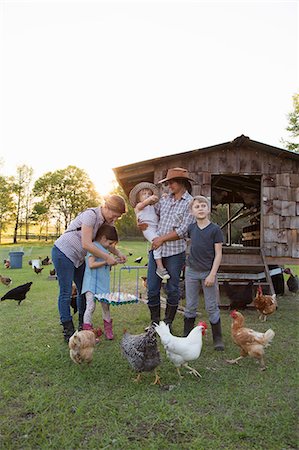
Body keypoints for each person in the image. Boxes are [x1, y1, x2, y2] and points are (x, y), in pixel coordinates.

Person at [51, 194, 127, 342]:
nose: (114, 219)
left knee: (83, 290)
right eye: (114, 215)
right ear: (106, 207)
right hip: (64, 252)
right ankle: (69, 332)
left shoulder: (107, 223)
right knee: (66, 292)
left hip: (79, 258)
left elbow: (104, 243)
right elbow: (87, 244)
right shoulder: (90, 215)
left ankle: (83, 328)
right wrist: (106, 258)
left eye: (117, 217)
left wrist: (118, 253)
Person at [145, 167, 195, 329]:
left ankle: (167, 323)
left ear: (182, 183)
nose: (169, 186)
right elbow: (153, 214)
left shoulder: (190, 203)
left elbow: (183, 230)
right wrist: (144, 221)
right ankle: (154, 323)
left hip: (174, 252)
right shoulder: (165, 199)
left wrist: (161, 239)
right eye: (167, 183)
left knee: (172, 289)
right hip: (157, 251)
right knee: (152, 288)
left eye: (171, 182)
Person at [183, 195, 224, 350]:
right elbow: (190, 246)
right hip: (191, 271)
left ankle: (218, 339)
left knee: (211, 305)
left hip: (208, 272)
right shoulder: (191, 228)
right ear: (192, 211)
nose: (200, 208)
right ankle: (187, 337)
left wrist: (212, 274)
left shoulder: (215, 229)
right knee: (190, 305)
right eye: (196, 206)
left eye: (203, 206)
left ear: (208, 209)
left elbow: (218, 254)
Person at [81, 223, 119, 340]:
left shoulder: (105, 250)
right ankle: (87, 333)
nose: (111, 246)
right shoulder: (93, 247)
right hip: (91, 283)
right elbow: (91, 264)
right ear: (103, 238)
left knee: (105, 307)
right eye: (110, 243)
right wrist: (106, 261)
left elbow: (106, 265)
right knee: (91, 306)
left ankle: (108, 330)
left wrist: (115, 261)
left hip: (103, 283)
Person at [129, 181, 170, 281]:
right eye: (144, 194)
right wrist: (150, 199)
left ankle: (161, 265)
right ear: (138, 198)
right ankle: (160, 267)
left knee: (158, 244)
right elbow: (143, 204)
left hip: (156, 227)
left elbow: (159, 206)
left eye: (149, 194)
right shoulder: (138, 207)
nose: (147, 196)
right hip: (147, 229)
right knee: (157, 242)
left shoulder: (152, 206)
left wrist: (163, 197)